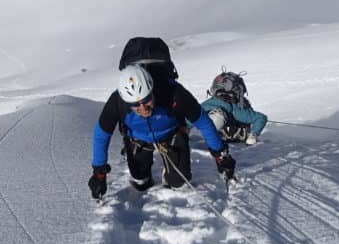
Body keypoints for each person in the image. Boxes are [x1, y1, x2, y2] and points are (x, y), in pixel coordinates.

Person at [89, 64, 235, 201]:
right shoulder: (117, 102)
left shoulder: (174, 94)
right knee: (140, 180)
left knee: (179, 183)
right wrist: (99, 173)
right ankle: (140, 159)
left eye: (146, 100)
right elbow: (101, 135)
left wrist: (220, 155)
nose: (143, 108)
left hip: (170, 134)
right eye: (135, 105)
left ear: (152, 90)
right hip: (138, 137)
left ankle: (171, 170)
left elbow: (204, 123)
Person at [201, 71, 268, 145]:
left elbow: (261, 118)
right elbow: (261, 118)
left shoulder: (238, 112)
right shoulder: (208, 106)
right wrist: (253, 135)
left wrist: (253, 135)